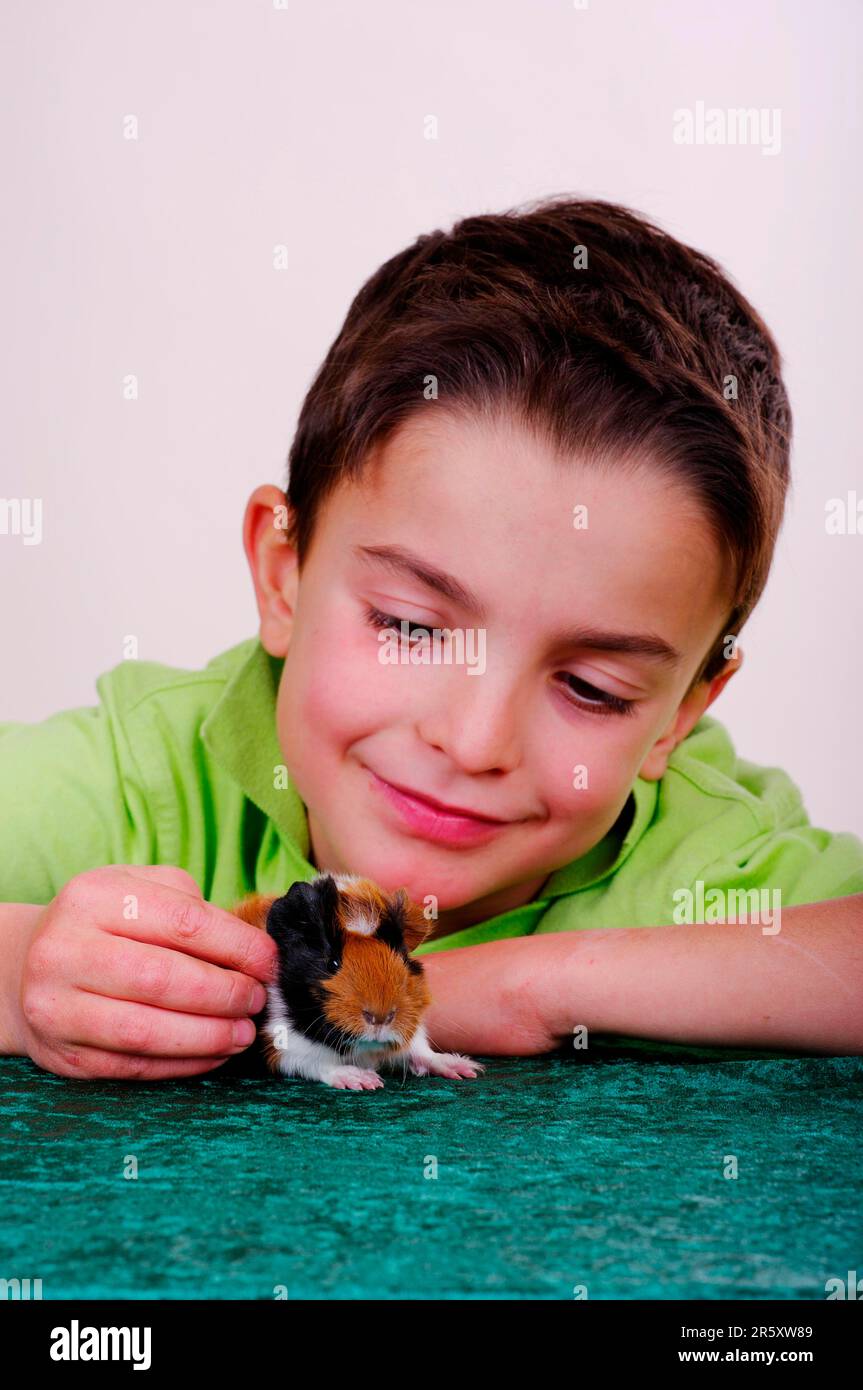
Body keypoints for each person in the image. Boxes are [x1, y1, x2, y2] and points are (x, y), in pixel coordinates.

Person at [2, 196, 861, 1080]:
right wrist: (22, 964)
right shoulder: (147, 782)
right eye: (410, 628)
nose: (475, 739)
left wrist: (525, 986)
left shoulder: (714, 865)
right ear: (281, 572)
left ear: (679, 715)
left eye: (592, 688)